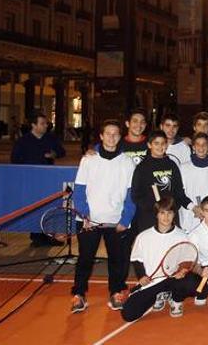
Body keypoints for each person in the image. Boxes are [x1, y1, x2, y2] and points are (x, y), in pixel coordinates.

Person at [70, 119, 136, 313]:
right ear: (101, 136)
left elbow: (131, 195)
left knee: (118, 261)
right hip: (89, 221)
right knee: (85, 260)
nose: (112, 137)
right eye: (108, 133)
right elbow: (79, 191)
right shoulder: (88, 159)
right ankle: (78, 294)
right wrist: (85, 215)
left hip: (116, 222)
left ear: (119, 136)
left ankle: (116, 292)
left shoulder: (127, 162)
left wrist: (125, 220)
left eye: (115, 133)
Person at [121, 196, 194, 321]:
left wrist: (183, 270)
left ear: (174, 214)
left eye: (169, 213)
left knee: (194, 284)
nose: (166, 217)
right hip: (152, 282)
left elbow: (187, 260)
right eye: (162, 213)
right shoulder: (144, 236)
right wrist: (141, 276)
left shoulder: (182, 236)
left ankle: (176, 299)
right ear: (156, 215)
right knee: (128, 314)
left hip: (172, 279)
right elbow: (137, 259)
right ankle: (159, 295)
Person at [11, 111, 68, 246]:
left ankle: (50, 235)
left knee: (50, 207)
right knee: (34, 207)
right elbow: (15, 159)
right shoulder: (23, 141)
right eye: (42, 124)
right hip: (31, 180)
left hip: (48, 179)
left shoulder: (50, 138)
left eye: (46, 123)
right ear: (33, 125)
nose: (45, 126)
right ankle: (36, 236)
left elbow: (62, 152)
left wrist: (54, 154)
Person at [131, 131, 194, 234]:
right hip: (149, 219)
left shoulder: (172, 165)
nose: (160, 147)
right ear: (149, 145)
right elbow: (136, 195)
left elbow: (179, 192)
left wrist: (171, 209)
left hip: (170, 218)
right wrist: (156, 208)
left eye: (163, 143)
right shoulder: (142, 168)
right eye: (156, 143)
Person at [178, 133, 208, 232]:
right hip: (188, 216)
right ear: (193, 147)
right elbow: (179, 193)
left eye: (204, 144)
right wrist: (194, 208)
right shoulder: (183, 168)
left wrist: (206, 210)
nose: (201, 147)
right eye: (198, 144)